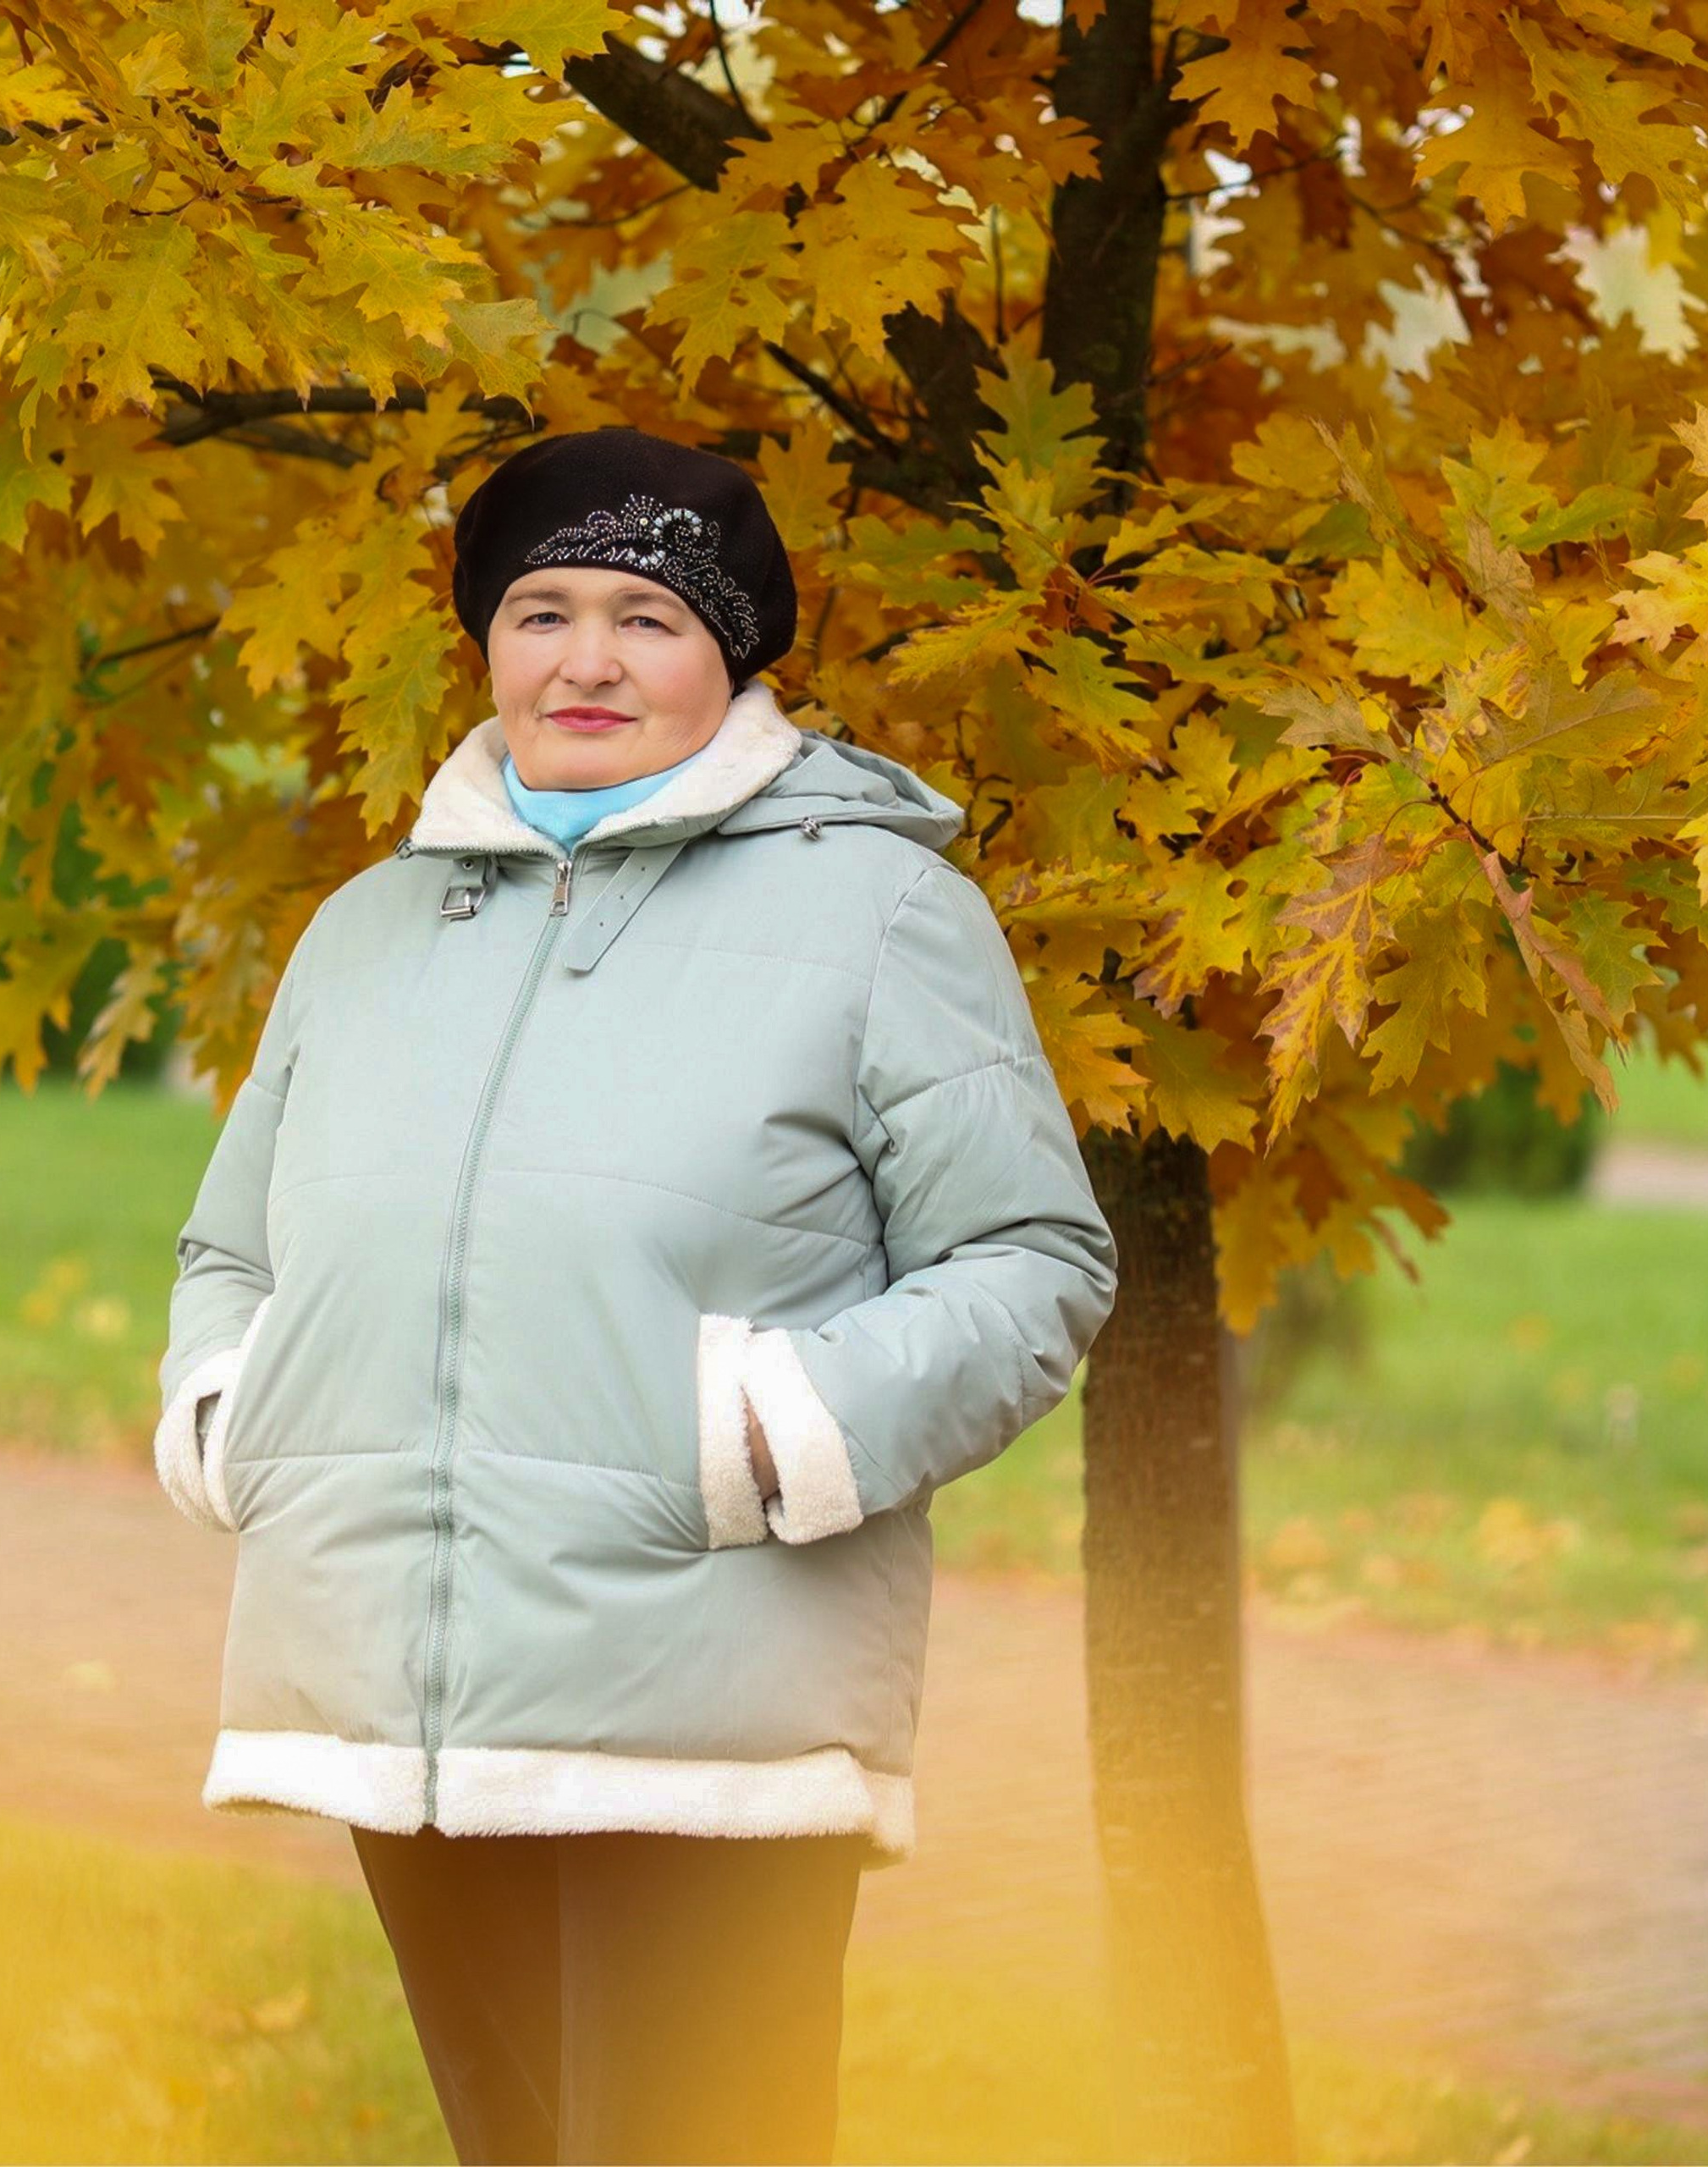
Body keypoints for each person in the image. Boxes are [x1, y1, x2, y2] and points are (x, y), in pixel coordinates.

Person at [153, 426, 1119, 2164]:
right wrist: (236, 1420)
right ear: (485, 641)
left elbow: (1032, 1263)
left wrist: (774, 1431)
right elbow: (234, 1249)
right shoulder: (368, 929)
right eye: (538, 608)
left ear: (730, 651)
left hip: (706, 1700)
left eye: (643, 615)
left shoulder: (880, 908)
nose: (583, 657)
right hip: (403, 1697)